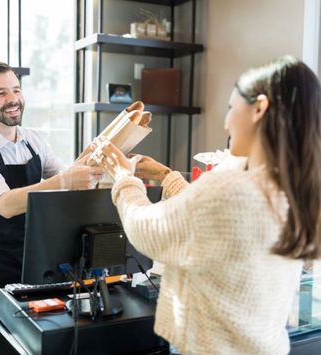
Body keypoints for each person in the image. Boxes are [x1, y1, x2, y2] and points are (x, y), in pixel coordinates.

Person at [93, 56, 321, 354]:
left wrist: (123, 177)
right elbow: (209, 220)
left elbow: (146, 229)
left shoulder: (234, 188)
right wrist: (167, 175)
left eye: (230, 108)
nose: (226, 122)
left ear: (259, 108)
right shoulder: (292, 188)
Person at [0, 61, 104, 299]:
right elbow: (5, 205)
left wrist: (91, 164)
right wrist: (66, 180)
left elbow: (66, 182)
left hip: (39, 267)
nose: (13, 99)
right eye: (1, 93)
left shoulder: (34, 140)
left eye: (16, 90)